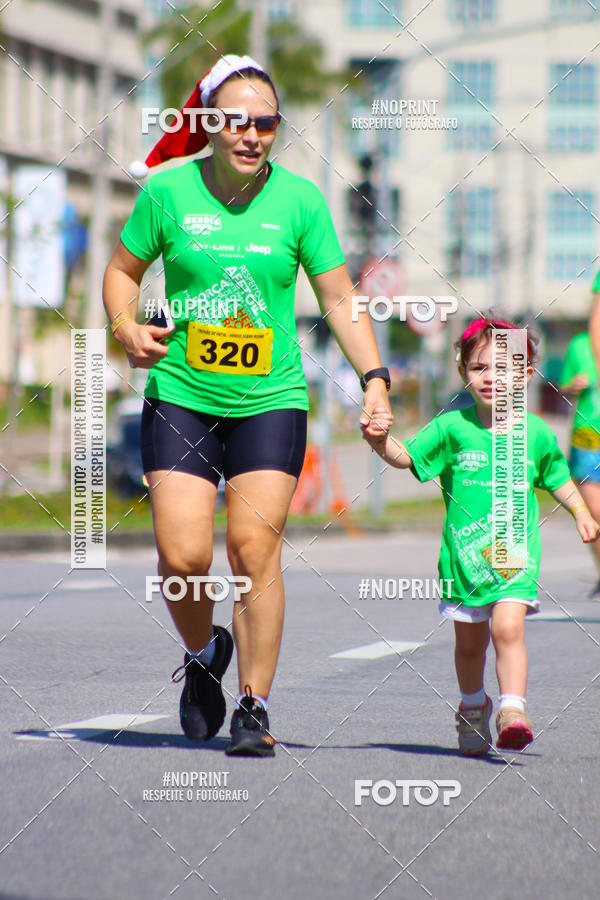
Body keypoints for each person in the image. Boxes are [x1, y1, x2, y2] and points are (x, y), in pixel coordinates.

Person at [103, 55, 392, 757]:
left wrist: (375, 377)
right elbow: (121, 271)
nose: (252, 135)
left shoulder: (299, 201)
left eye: (266, 123)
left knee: (253, 549)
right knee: (182, 558)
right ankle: (204, 655)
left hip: (270, 398)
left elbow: (338, 298)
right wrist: (126, 327)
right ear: (209, 122)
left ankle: (254, 705)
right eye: (237, 121)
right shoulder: (168, 192)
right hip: (182, 395)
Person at [363, 317, 599, 755]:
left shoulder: (536, 433)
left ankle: (512, 710)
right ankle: (473, 707)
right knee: (470, 646)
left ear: (526, 375)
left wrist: (581, 511)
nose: (490, 377)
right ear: (462, 372)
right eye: (479, 368)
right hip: (463, 563)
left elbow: (559, 478)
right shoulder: (452, 427)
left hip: (513, 558)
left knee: (508, 628)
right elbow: (407, 457)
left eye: (503, 368)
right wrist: (380, 442)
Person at [565, 304, 600, 594]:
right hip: (587, 433)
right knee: (593, 510)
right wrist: (572, 386)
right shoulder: (579, 344)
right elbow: (563, 386)